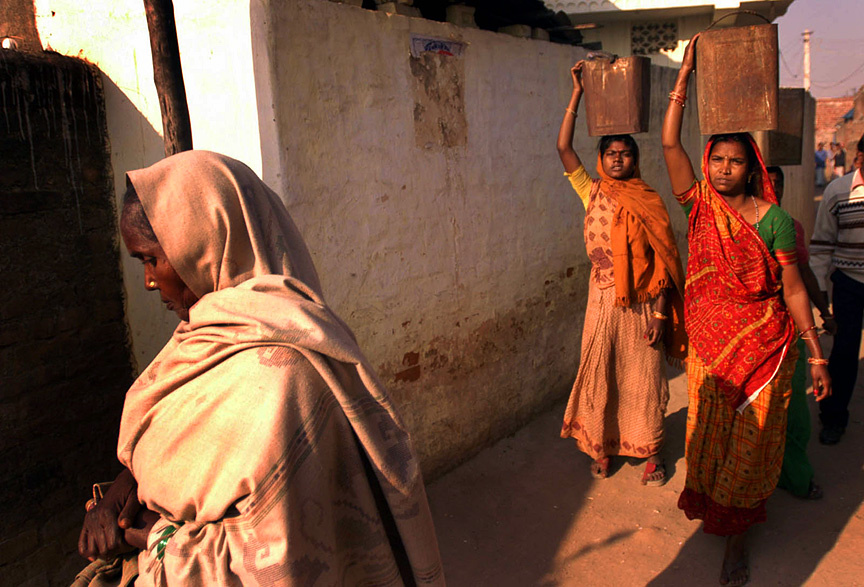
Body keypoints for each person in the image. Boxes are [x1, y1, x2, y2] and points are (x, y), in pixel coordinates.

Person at [75, 151, 445, 586]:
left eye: (151, 259)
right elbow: (184, 452)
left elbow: (284, 560)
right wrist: (125, 486)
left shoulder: (288, 376)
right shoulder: (204, 341)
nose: (149, 281)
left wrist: (157, 539)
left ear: (199, 244)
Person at [662, 36, 831, 586]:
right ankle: (720, 519)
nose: (724, 169)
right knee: (709, 441)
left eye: (736, 161)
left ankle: (737, 541)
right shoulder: (701, 206)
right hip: (711, 347)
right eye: (717, 159)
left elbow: (794, 290)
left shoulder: (775, 221)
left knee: (752, 446)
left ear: (751, 167)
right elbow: (669, 147)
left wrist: (817, 355)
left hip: (765, 348)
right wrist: (683, 82)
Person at [557, 61, 687, 486]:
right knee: (601, 373)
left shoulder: (647, 199)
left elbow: (665, 261)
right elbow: (563, 148)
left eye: (625, 153)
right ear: (601, 158)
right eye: (610, 153)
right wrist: (577, 93)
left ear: (635, 159)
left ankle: (651, 454)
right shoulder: (589, 190)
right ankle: (602, 446)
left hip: (644, 304)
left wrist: (662, 314)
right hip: (601, 298)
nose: (617, 159)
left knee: (644, 381)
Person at [766, 166, 834, 500]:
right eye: (766, 182)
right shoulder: (735, 226)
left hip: (788, 329)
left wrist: (824, 310)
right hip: (750, 334)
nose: (772, 189)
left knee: (794, 411)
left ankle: (794, 476)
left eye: (778, 184)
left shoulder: (789, 226)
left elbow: (802, 276)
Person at [810, 133, 864, 446]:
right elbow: (820, 249)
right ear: (859, 156)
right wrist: (823, 299)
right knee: (844, 353)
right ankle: (832, 418)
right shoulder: (838, 191)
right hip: (849, 283)